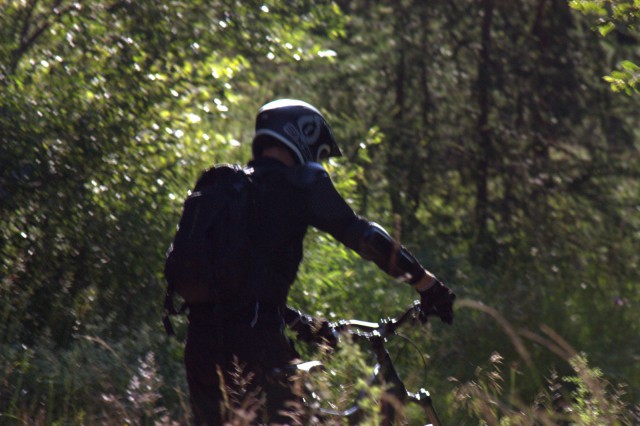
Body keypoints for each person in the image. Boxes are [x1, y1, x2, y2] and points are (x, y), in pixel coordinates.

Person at [184, 99, 456, 425]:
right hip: (257, 348)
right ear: (300, 137)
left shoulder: (229, 191)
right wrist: (427, 284)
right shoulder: (298, 183)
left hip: (200, 345)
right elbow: (364, 236)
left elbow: (239, 287)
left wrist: (305, 325)